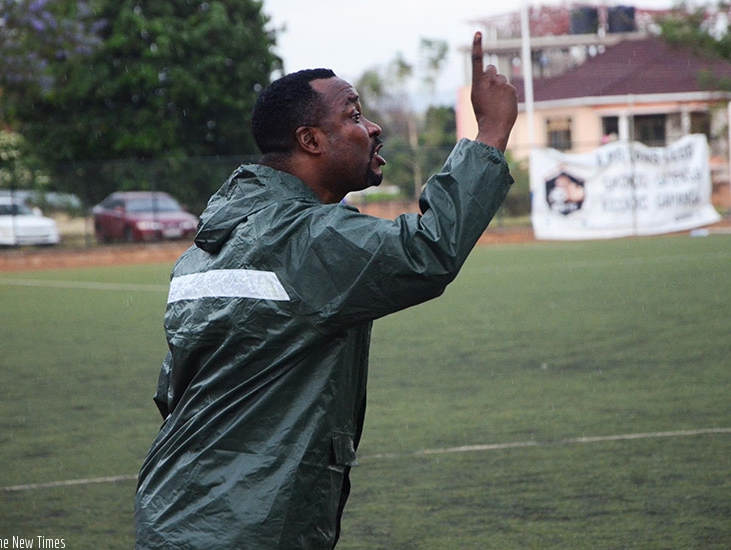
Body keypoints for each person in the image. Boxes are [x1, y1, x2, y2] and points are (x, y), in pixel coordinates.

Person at [134, 32, 517, 549]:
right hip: (247, 528)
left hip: (167, 514)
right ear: (311, 140)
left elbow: (172, 393)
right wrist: (490, 132)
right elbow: (428, 249)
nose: (373, 127)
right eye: (354, 115)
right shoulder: (302, 238)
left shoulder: (201, 251)